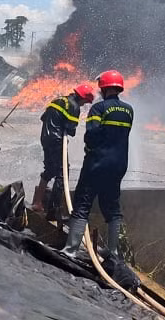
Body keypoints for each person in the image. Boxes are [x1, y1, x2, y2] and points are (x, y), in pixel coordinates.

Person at [62, 69, 134, 261]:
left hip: (97, 163)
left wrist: (90, 147)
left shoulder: (98, 109)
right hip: (119, 165)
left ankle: (70, 251)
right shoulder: (129, 110)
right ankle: (113, 253)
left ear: (103, 87)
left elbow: (92, 135)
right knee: (112, 207)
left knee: (82, 203)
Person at [32, 83, 96, 222]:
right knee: (62, 174)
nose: (84, 104)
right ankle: (53, 211)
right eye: (85, 102)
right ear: (83, 98)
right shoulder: (74, 106)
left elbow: (43, 118)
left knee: (49, 170)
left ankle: (37, 202)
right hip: (57, 141)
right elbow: (71, 130)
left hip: (45, 138)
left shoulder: (59, 100)